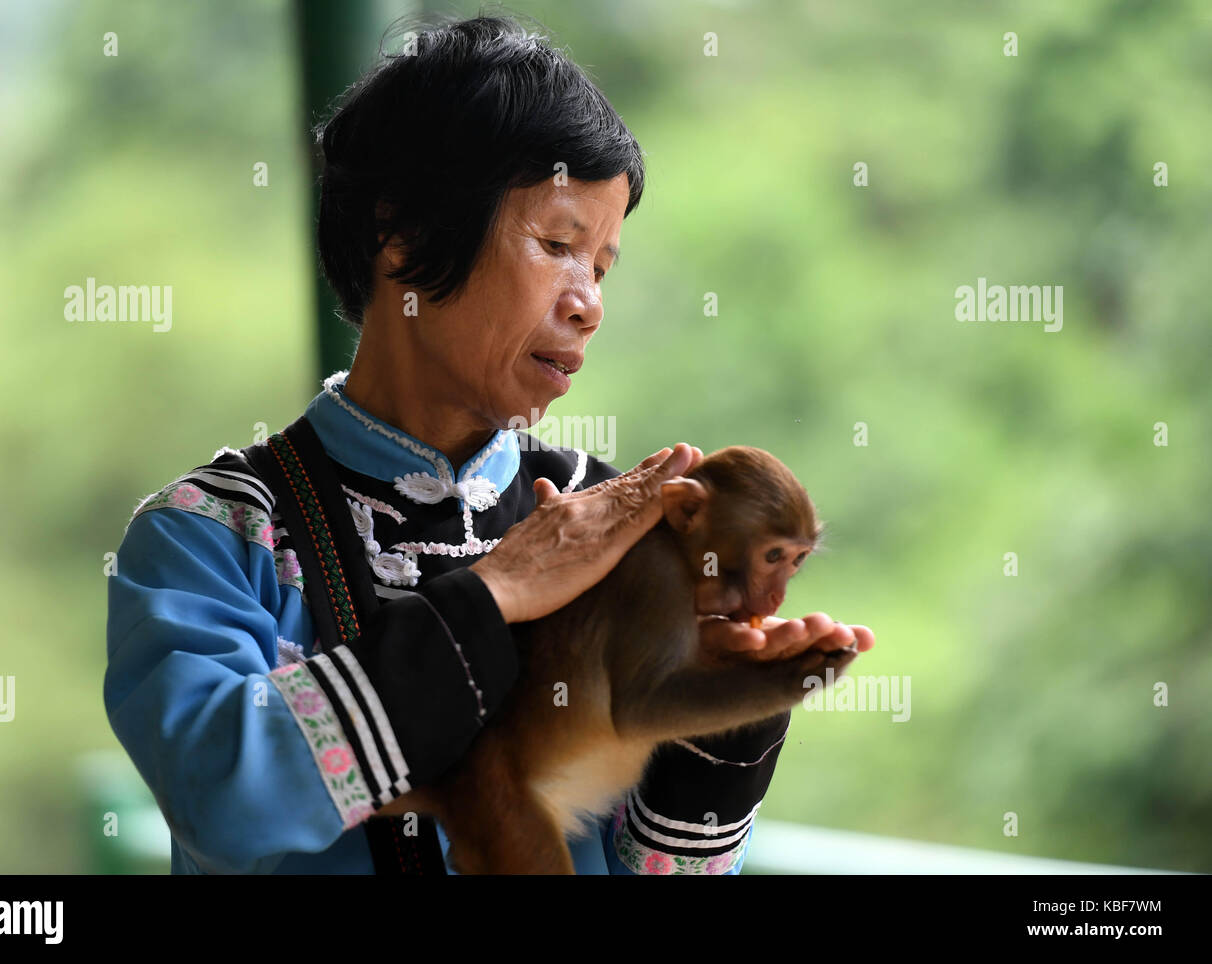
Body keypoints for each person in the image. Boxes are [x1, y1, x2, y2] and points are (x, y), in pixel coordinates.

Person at [104, 13, 872, 875]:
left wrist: (744, 703)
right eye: (557, 245)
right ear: (403, 231)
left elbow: (662, 869)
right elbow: (221, 799)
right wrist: (497, 591)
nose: (589, 303)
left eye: (604, 266)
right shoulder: (210, 533)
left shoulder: (619, 528)